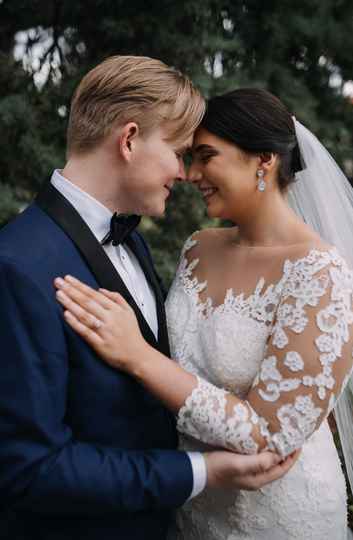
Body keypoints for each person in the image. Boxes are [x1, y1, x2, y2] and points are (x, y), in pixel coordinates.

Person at [0, 61, 296, 540]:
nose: (185, 173)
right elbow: (29, 468)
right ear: (130, 139)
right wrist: (201, 471)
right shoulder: (16, 264)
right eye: (179, 152)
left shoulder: (132, 240)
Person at [55, 88, 353, 540]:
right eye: (189, 156)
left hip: (278, 516)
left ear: (264, 160)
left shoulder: (320, 273)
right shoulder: (198, 247)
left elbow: (268, 437)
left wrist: (138, 356)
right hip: (189, 505)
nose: (190, 173)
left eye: (205, 156)